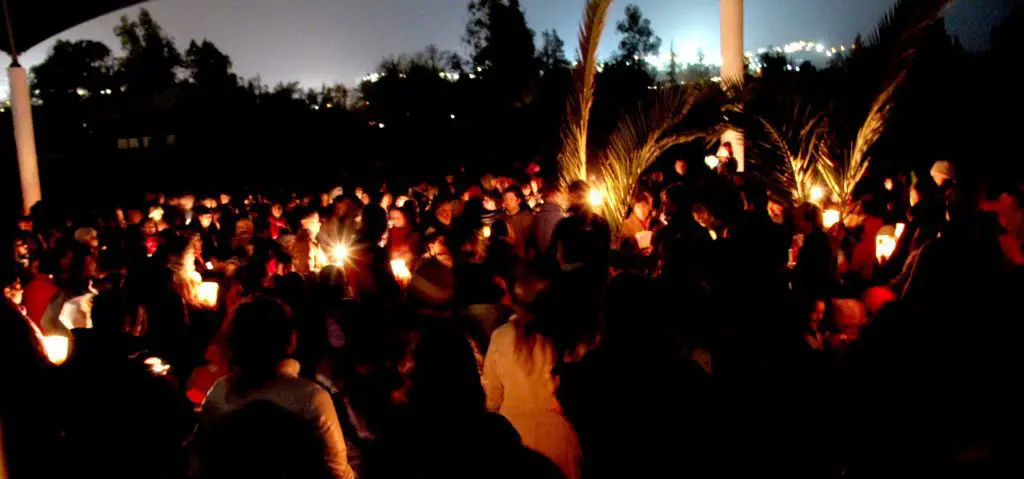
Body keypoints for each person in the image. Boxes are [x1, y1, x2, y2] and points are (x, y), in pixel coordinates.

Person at [198, 297, 356, 479]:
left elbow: (204, 459)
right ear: (291, 340)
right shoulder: (310, 398)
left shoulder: (219, 393)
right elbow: (337, 471)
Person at [483, 277, 583, 479]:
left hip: (514, 437)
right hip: (556, 440)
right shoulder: (564, 337)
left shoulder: (502, 337)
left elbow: (491, 395)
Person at [532, 184, 567, 258]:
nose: (562, 196)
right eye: (560, 193)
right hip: (555, 260)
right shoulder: (560, 217)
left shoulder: (537, 217)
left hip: (540, 259)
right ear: (553, 195)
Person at [503, 187, 534, 260]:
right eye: (505, 199)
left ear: (518, 200)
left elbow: (530, 240)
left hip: (520, 258)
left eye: (511, 199)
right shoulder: (502, 217)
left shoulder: (526, 217)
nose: (507, 202)